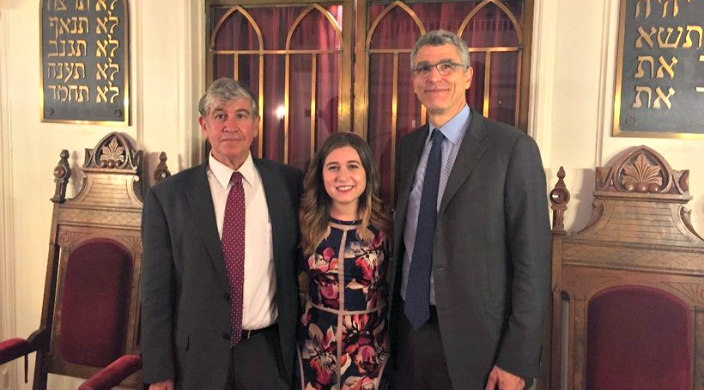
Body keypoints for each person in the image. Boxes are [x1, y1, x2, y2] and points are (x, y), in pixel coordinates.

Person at [388, 30, 551, 390]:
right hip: (409, 330)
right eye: (424, 68)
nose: (435, 76)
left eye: (447, 65)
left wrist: (517, 358)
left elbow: (533, 264)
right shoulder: (408, 148)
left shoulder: (512, 148)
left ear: (467, 75)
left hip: (479, 344)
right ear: (414, 80)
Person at [140, 78, 303, 390]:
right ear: (204, 125)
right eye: (220, 115)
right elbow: (155, 294)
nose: (231, 126)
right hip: (196, 361)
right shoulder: (167, 197)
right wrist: (159, 373)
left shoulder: (288, 185)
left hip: (268, 356)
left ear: (255, 124)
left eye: (241, 115)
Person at [298, 132, 392, 390]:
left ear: (367, 173)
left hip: (370, 354)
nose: (343, 176)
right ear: (321, 174)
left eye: (353, 166)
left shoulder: (387, 226)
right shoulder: (307, 223)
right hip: (315, 351)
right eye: (333, 167)